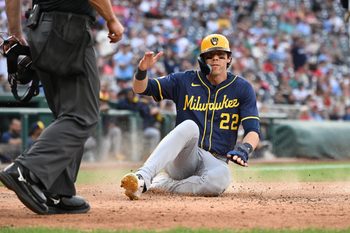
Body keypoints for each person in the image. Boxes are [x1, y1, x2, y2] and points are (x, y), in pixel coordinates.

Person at [0, 0, 124, 215]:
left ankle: (57, 191)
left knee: (66, 115)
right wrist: (112, 19)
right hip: (68, 29)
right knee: (82, 115)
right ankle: (26, 170)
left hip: (40, 30)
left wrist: (14, 32)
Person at [120, 34, 260, 200]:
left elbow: (253, 130)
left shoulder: (242, 88)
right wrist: (142, 70)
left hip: (217, 161)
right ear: (201, 60)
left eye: (221, 56)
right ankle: (143, 177)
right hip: (185, 158)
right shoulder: (184, 80)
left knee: (221, 179)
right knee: (190, 126)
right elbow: (141, 88)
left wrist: (245, 149)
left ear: (229, 59)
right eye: (210, 56)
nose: (215, 60)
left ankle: (163, 185)